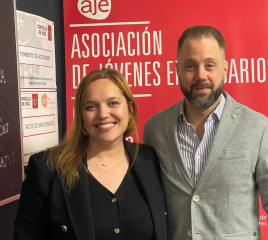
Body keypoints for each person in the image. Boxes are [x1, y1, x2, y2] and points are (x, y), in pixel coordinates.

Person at [143, 25, 268, 239]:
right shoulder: (155, 129)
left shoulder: (260, 129)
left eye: (209, 65)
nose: (201, 75)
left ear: (225, 68)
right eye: (190, 66)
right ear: (177, 69)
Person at [14, 68, 167, 240]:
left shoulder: (150, 160)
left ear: (130, 109)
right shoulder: (47, 169)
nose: (103, 114)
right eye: (90, 107)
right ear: (81, 115)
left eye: (113, 103)